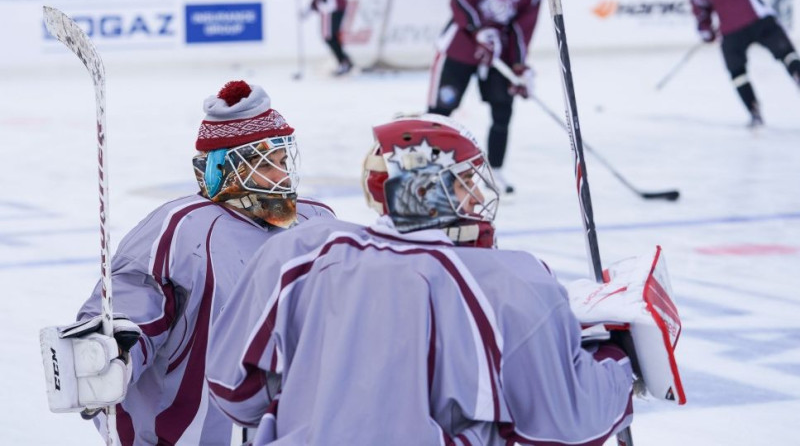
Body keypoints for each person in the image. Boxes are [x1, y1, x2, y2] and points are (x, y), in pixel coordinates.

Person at [205, 114, 686, 445]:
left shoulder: (298, 252)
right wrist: (617, 361)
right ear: (422, 188)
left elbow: (232, 388)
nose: (478, 195)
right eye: (464, 181)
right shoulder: (513, 282)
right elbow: (565, 424)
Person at [39, 80, 335, 445]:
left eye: (283, 160)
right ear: (223, 168)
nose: (282, 175)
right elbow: (134, 305)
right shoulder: (181, 229)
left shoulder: (317, 223)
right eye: (265, 164)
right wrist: (111, 350)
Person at [427, 0, 541, 194]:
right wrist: (477, 29)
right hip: (460, 45)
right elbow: (460, 0)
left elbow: (523, 27)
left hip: (500, 51)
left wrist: (518, 65)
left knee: (502, 110)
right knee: (440, 110)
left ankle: (495, 171)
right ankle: (427, 166)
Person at [691, 0, 800, 127]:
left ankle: (753, 110)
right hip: (759, 19)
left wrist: (706, 31)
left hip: (732, 28)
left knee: (737, 72)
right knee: (787, 55)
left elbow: (701, 8)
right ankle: (796, 73)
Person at [306, 0, 353, 76]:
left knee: (331, 37)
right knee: (329, 37)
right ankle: (344, 61)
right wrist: (309, 9)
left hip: (335, 9)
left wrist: (311, 8)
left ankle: (344, 62)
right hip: (329, 11)